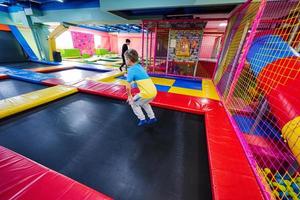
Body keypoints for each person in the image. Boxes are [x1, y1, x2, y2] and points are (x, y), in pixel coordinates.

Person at [124, 49, 157, 126]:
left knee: (133, 103)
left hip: (146, 93)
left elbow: (128, 87)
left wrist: (129, 96)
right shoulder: (139, 66)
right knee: (144, 103)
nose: (125, 60)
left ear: (129, 59)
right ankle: (152, 117)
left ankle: (142, 119)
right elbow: (137, 75)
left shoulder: (131, 70)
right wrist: (128, 76)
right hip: (153, 91)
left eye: (125, 59)